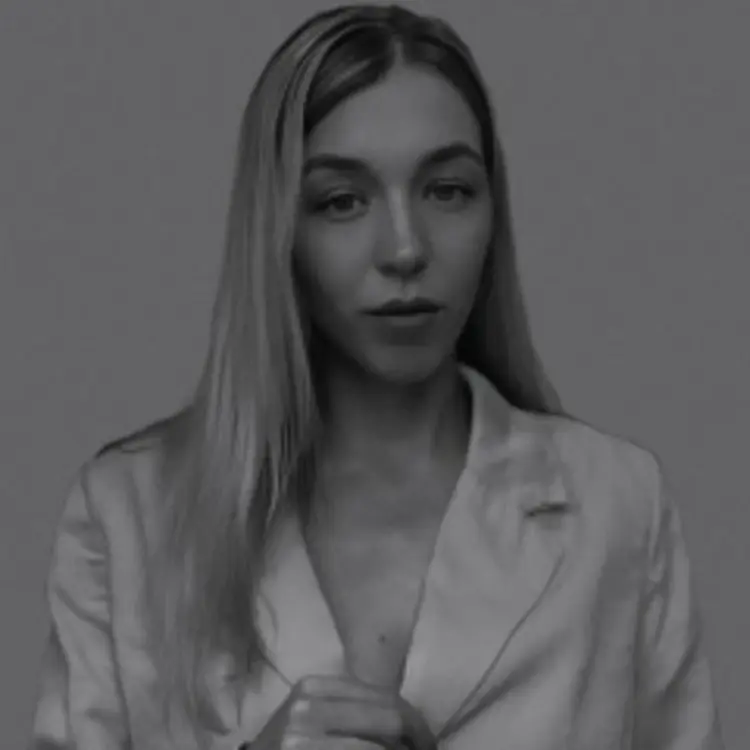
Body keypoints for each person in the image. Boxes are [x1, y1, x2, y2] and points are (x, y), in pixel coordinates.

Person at [28, 3, 723, 749]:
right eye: (342, 201)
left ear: (493, 209)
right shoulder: (129, 516)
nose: (405, 249)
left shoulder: (617, 505)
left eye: (447, 190)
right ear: (278, 230)